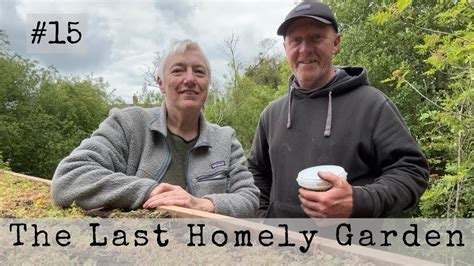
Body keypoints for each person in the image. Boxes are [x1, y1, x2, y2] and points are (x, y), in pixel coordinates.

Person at [248, 1, 429, 218]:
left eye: (316, 38)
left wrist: (359, 201)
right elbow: (257, 172)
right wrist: (262, 220)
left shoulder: (372, 105)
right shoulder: (272, 114)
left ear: (335, 42)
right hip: (280, 247)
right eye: (296, 40)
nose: (305, 49)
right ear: (286, 48)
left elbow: (412, 170)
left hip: (355, 248)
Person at [51, 40, 259, 218]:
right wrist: (150, 191)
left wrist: (200, 204)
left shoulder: (225, 139)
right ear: (160, 82)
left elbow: (249, 198)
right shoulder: (128, 124)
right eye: (178, 70)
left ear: (207, 83)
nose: (190, 79)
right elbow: (69, 178)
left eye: (199, 72)